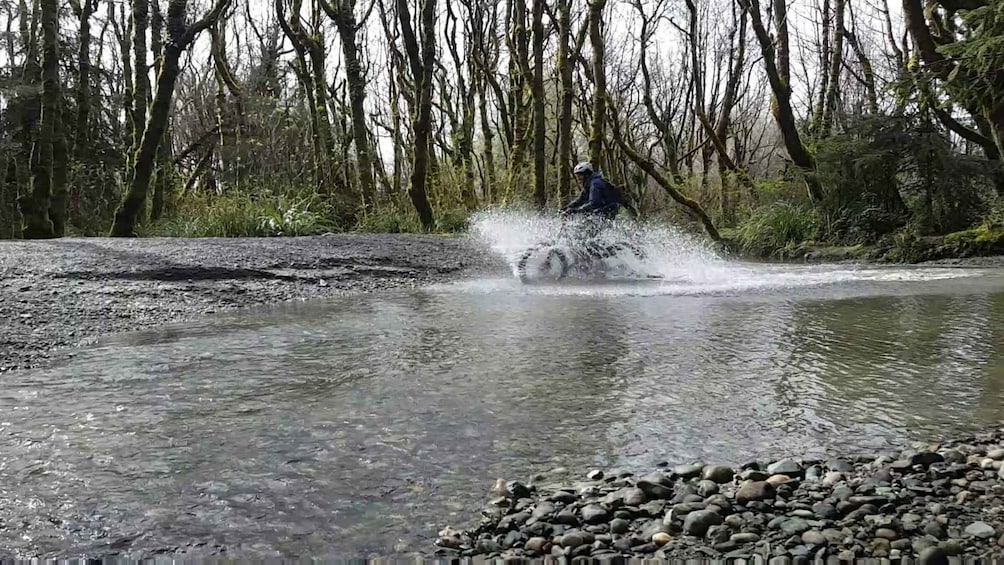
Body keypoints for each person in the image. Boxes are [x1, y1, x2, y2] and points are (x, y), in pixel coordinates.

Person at [561, 161, 622, 240]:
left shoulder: (595, 184)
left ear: (586, 174)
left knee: (589, 232)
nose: (578, 178)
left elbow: (594, 203)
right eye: (577, 176)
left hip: (607, 211)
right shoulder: (589, 183)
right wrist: (566, 208)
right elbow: (580, 200)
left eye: (580, 176)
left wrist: (576, 211)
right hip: (602, 210)